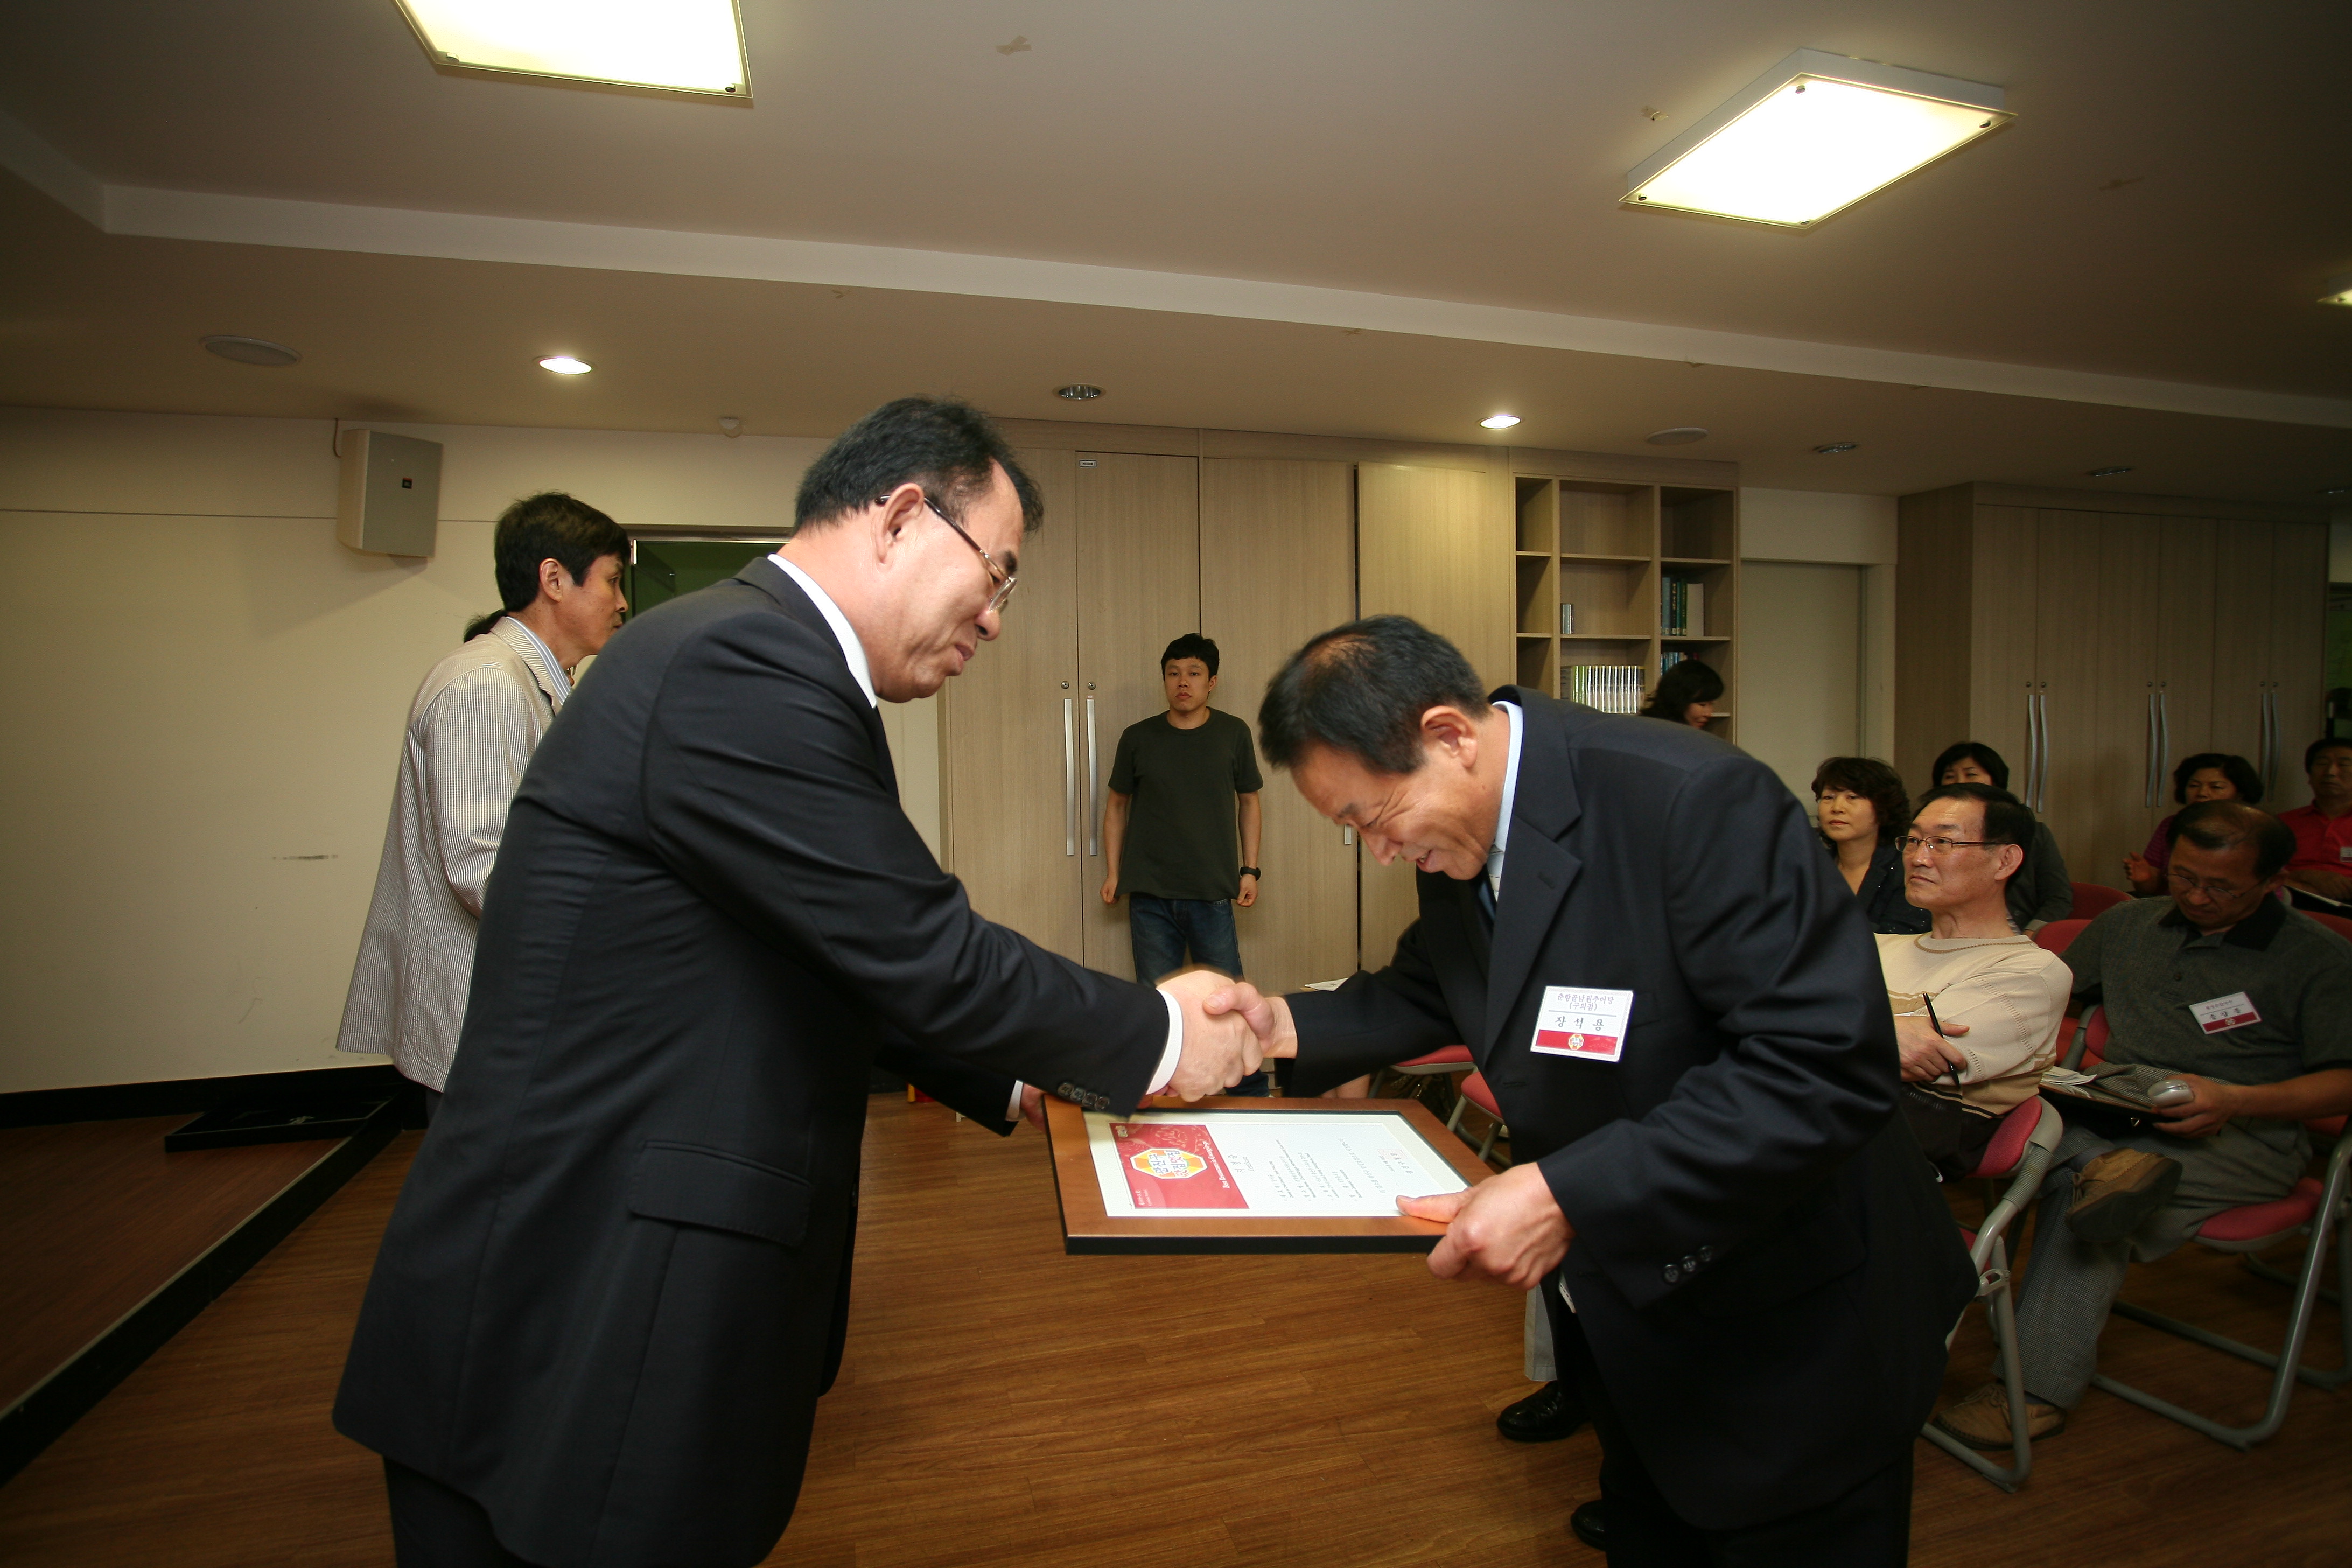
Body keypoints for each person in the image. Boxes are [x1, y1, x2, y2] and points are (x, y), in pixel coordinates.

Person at [333, 398, 1264, 1568]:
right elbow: (920, 947)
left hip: (599, 1272)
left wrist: (1021, 1071)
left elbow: (825, 952)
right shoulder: (744, 659)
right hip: (576, 1291)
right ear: (905, 515)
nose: (994, 618)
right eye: (1000, 575)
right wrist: (1158, 1034)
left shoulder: (765, 660)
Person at [1217, 615, 1975, 1565]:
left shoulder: (1691, 798)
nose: (1377, 852)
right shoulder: (1461, 826)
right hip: (1632, 1317)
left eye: (1372, 820)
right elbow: (1436, 978)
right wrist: (1277, 1028)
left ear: (1450, 736)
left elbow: (1818, 1065)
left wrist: (1567, 1191)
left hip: (1792, 1326)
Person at [1933, 801, 2352, 1450]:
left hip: (2244, 1131)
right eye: (2184, 876)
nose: (2197, 896)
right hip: (2115, 1104)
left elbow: (2345, 1081)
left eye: (2221, 887)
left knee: (2096, 1201)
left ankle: (2035, 1393)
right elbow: (2048, 994)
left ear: (2273, 881)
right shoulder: (2132, 922)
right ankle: (2099, 1168)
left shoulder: (2316, 957)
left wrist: (2237, 1099)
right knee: (2003, 1121)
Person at [334, 492, 628, 1111]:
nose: (622, 601)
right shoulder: (486, 684)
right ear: (553, 578)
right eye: (612, 580)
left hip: (517, 1015)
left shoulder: (534, 681)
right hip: (487, 1019)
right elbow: (486, 872)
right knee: (494, 1203)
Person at [1100, 635, 1267, 1091]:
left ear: (1212, 682)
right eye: (1173, 673)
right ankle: (1163, 1097)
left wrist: (1249, 869)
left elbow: (1249, 802)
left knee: (1229, 1002)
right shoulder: (1138, 737)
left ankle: (1250, 1096)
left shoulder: (1233, 733)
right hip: (1150, 895)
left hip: (1212, 893)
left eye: (1193, 673)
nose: (1182, 683)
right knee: (1159, 1007)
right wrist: (1114, 872)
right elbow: (1117, 807)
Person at [1882, 783, 2070, 1180]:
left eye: (1942, 843)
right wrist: (1878, 1030)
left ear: (2005, 860)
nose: (1918, 858)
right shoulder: (1871, 946)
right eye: (1913, 841)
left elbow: (1915, 1058)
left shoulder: (2031, 972)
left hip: (1879, 1161)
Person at [1932, 740, 2073, 930]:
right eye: (1950, 776)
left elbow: (2058, 898)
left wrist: (2033, 934)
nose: (1959, 783)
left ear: (1995, 782)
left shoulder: (2032, 834)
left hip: (2017, 936)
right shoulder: (1928, 837)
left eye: (1971, 774)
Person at [1814, 755, 1929, 935]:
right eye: (1829, 797)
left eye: (1852, 797)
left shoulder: (1907, 869)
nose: (1837, 808)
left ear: (1883, 807)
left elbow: (1901, 936)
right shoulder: (1810, 868)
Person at [2123, 752, 2261, 895]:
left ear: (2240, 793)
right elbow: (2152, 891)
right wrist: (2144, 880)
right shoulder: (2170, 825)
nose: (2202, 793)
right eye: (2194, 785)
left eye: (2216, 787)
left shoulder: (2255, 829)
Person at [2278, 737, 2352, 910]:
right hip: (2291, 902)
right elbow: (2260, 873)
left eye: (2344, 764)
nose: (2331, 772)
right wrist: (2309, 877)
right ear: (2309, 775)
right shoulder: (2281, 823)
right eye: (2322, 763)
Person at [1635, 656, 1720, 727]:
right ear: (1678, 699)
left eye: (1712, 704)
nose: (1708, 714)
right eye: (1703, 704)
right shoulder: (1647, 731)